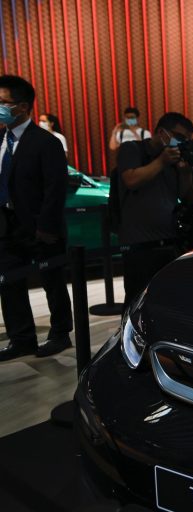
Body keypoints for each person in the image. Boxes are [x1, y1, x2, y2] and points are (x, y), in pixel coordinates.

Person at [0, 75, 72, 361]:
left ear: (22, 106)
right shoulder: (1, 140)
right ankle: (21, 338)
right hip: (7, 227)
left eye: (3, 102)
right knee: (9, 283)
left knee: (52, 281)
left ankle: (60, 334)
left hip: (40, 228)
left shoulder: (46, 141)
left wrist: (46, 227)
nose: (0, 107)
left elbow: (56, 188)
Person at [117, 112, 193, 306]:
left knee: (167, 300)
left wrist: (185, 173)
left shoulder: (175, 159)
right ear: (162, 132)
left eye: (186, 139)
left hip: (169, 242)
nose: (182, 142)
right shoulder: (132, 149)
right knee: (136, 301)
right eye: (179, 137)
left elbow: (185, 195)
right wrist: (161, 161)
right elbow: (131, 180)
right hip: (139, 244)